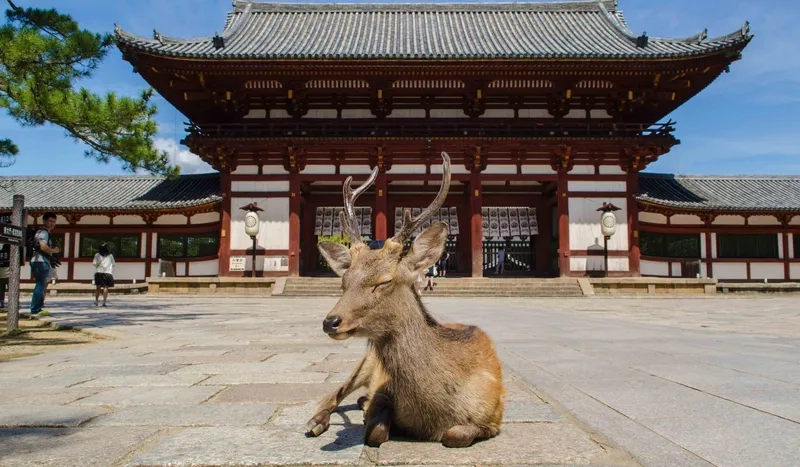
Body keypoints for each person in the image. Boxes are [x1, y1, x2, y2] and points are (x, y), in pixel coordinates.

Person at [30, 212, 59, 315]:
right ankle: (35, 309)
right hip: (40, 261)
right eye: (50, 221)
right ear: (44, 221)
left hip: (41, 261)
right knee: (40, 285)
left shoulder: (43, 232)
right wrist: (54, 251)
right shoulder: (43, 233)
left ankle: (38, 307)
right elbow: (43, 246)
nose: (52, 224)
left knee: (42, 284)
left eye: (54, 222)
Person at [93, 242, 115, 307]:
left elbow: (94, 264)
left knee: (98, 288)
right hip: (107, 273)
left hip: (99, 272)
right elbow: (113, 264)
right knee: (106, 287)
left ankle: (96, 301)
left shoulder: (97, 255)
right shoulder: (110, 256)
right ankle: (104, 302)